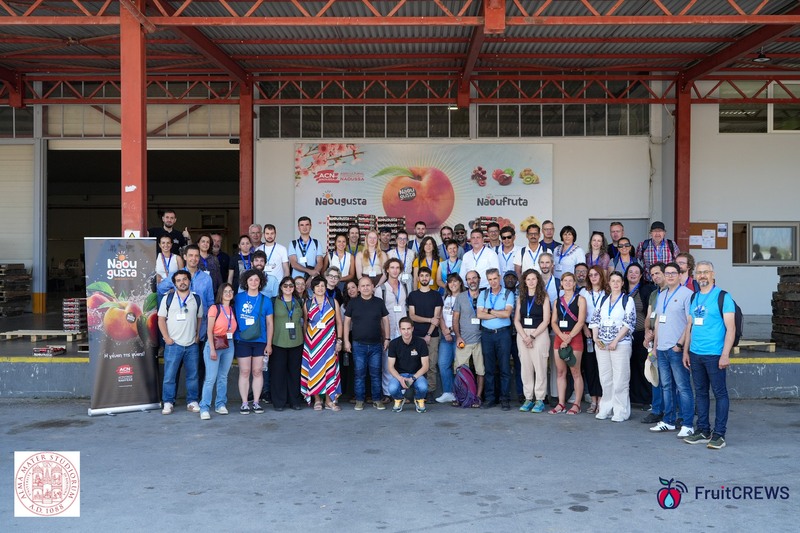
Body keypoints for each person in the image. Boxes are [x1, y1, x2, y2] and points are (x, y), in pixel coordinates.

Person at [682, 261, 735, 449]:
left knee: (720, 393)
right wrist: (686, 351)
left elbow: (731, 329)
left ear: (713, 274)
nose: (702, 275)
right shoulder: (694, 297)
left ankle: (719, 434)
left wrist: (725, 354)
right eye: (699, 272)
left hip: (715, 354)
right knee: (701, 393)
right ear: (695, 276)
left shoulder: (723, 297)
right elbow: (690, 326)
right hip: (696, 354)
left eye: (706, 272)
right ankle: (703, 430)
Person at [651, 262, 695, 437]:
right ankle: (668, 421)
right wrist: (655, 346)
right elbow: (658, 322)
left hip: (676, 348)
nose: (669, 276)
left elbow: (690, 322)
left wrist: (680, 345)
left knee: (683, 387)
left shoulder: (687, 294)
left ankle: (687, 424)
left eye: (673, 273)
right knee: (666, 386)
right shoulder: (662, 295)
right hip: (662, 348)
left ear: (679, 275)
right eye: (667, 273)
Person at [591, 271, 637, 422]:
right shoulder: (603, 299)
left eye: (618, 281)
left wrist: (615, 341)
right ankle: (606, 408)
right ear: (609, 283)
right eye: (613, 281)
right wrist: (595, 337)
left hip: (620, 344)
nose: (616, 284)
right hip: (602, 345)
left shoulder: (628, 300)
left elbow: (629, 322)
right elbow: (595, 319)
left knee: (620, 379)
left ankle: (621, 411)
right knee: (605, 378)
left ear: (622, 283)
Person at [158, 269, 203, 415]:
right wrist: (166, 338)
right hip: (173, 344)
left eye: (184, 279)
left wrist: (197, 335)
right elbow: (160, 319)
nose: (182, 282)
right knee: (169, 376)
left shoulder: (196, 299)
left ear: (189, 281)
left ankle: (192, 401)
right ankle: (168, 402)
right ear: (174, 283)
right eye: (178, 280)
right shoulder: (168, 298)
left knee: (193, 376)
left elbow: (199, 318)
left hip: (191, 345)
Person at [343, 276, 390, 411]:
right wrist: (346, 341)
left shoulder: (379, 302)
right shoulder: (353, 303)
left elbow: (385, 321)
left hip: (376, 345)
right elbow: (346, 323)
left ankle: (377, 400)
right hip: (358, 345)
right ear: (358, 288)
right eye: (362, 286)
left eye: (368, 285)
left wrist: (387, 339)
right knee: (359, 374)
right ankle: (359, 400)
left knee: (376, 374)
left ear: (372, 287)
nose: (365, 288)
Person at [233, 269, 274, 415]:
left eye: (257, 280)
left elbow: (270, 323)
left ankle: (256, 402)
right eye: (250, 280)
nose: (253, 282)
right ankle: (245, 403)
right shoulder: (238, 298)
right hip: (242, 340)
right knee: (244, 371)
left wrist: (269, 344)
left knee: (257, 371)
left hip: (260, 341)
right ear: (246, 282)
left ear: (261, 282)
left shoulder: (266, 300)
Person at [301, 275, 343, 411]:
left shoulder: (332, 302)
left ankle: (329, 400)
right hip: (313, 343)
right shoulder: (308, 303)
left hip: (330, 341)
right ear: (313, 288)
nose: (320, 288)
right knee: (314, 370)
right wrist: (306, 341)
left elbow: (339, 322)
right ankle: (317, 400)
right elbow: (305, 323)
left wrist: (339, 340)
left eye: (322, 286)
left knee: (330, 369)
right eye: (317, 286)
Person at [514, 269, 551, 413]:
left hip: (539, 334)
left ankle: (540, 399)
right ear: (524, 281)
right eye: (528, 279)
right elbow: (516, 320)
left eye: (533, 279)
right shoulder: (521, 298)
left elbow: (546, 320)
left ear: (538, 281)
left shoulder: (544, 297)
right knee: (526, 368)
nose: (531, 282)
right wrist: (525, 336)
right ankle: (528, 398)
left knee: (540, 367)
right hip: (523, 334)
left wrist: (532, 336)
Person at [477, 268, 514, 410]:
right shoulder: (484, 294)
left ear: (499, 278)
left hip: (503, 334)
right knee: (489, 367)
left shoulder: (508, 293)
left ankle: (505, 399)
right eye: (490, 279)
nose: (493, 282)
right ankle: (490, 398)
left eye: (495, 279)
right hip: (487, 334)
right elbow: (479, 315)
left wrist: (489, 311)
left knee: (504, 367)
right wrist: (498, 313)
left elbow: (507, 314)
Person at [550, 272, 587, 414]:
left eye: (570, 280)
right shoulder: (557, 301)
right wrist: (561, 336)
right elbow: (553, 321)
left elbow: (581, 321)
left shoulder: (580, 299)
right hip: (560, 337)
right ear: (561, 283)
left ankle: (577, 404)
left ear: (574, 283)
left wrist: (569, 337)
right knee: (560, 372)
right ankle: (561, 403)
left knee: (575, 371)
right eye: (565, 280)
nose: (567, 283)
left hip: (575, 337)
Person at [199, 283, 238, 420]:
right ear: (221, 293)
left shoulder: (232, 309)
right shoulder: (214, 308)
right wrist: (212, 349)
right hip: (214, 343)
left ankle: (220, 404)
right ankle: (204, 407)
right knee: (211, 378)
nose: (228, 293)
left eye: (231, 291)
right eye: (225, 291)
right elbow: (209, 331)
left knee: (223, 377)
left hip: (229, 344)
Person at [407, 266, 444, 399]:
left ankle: (430, 391)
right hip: (416, 335)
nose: (424, 278)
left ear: (430, 278)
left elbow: (437, 318)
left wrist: (428, 334)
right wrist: (429, 319)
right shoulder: (413, 295)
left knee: (431, 364)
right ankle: (417, 391)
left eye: (426, 276)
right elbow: (412, 316)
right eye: (422, 276)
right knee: (415, 364)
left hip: (432, 336)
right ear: (418, 278)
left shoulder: (436, 295)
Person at [271, 276, 305, 411]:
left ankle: (294, 401)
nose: (288, 288)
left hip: (297, 342)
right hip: (278, 342)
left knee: (294, 373)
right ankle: (279, 402)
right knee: (278, 373)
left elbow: (305, 321)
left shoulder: (299, 301)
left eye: (291, 285)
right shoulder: (274, 301)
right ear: (281, 287)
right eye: (285, 285)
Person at [376, 258, 409, 403]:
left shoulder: (405, 286)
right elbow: (378, 314)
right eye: (392, 267)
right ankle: (388, 393)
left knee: (403, 362)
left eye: (397, 268)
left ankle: (401, 392)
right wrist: (384, 334)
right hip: (388, 329)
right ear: (387, 270)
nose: (395, 270)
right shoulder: (381, 289)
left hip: (403, 329)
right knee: (387, 363)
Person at [452, 270, 485, 406]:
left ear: (479, 279)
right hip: (464, 340)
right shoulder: (460, 297)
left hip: (480, 340)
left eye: (474, 278)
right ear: (466, 282)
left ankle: (477, 397)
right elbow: (455, 319)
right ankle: (460, 396)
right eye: (469, 279)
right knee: (459, 369)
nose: (472, 281)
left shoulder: (485, 295)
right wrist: (458, 337)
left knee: (480, 370)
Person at [624, 262, 655, 407]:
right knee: (629, 367)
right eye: (630, 271)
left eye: (636, 272)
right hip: (624, 335)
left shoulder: (646, 290)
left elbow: (650, 312)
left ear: (641, 275)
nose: (633, 274)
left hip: (641, 333)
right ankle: (633, 398)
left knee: (642, 366)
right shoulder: (622, 290)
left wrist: (650, 332)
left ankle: (646, 399)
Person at [642, 262, 668, 425]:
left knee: (667, 379)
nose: (655, 277)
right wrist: (647, 331)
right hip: (652, 339)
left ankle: (669, 412)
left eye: (657, 273)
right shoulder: (654, 294)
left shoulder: (672, 292)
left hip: (665, 340)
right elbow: (649, 316)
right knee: (654, 376)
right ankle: (657, 410)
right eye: (652, 274)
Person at [580, 265, 608, 414]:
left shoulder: (607, 292)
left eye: (596, 274)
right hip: (588, 332)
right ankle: (593, 400)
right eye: (590, 275)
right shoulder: (584, 292)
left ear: (601, 276)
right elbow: (579, 313)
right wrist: (585, 328)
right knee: (590, 367)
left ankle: (602, 399)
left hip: (604, 332)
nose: (593, 277)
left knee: (602, 367)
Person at [387, 317, 430, 413]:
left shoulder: (421, 343)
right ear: (399, 329)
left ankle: (419, 399)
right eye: (403, 329)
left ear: (412, 329)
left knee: (423, 387)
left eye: (408, 328)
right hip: (400, 375)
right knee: (392, 388)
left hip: (417, 375)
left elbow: (425, 366)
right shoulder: (394, 344)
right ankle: (399, 399)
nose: (406, 332)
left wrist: (413, 378)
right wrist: (400, 379)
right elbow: (390, 367)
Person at [437, 273, 463, 403]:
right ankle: (448, 392)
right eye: (450, 282)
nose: (453, 284)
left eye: (455, 281)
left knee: (459, 366)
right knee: (443, 364)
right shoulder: (445, 297)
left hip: (459, 337)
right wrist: (444, 331)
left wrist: (451, 330)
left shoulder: (464, 297)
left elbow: (464, 318)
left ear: (460, 283)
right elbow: (440, 316)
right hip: (445, 336)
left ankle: (460, 393)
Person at [258, 224, 291, 294]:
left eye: (272, 233)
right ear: (263, 234)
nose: (269, 236)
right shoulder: (258, 249)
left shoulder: (282, 249)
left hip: (278, 285)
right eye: (267, 233)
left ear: (275, 234)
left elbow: (286, 269)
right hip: (261, 285)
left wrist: (283, 284)